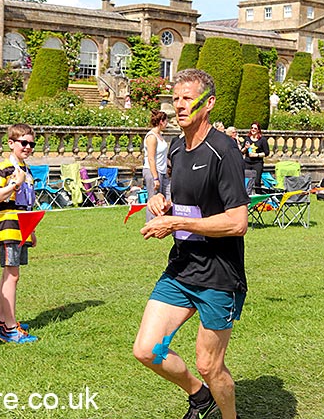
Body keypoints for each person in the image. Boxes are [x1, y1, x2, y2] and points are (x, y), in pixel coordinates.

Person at [134, 69, 249, 419]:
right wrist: (163, 205)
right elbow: (185, 202)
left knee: (209, 365)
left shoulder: (224, 150)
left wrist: (178, 223)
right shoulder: (177, 150)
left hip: (219, 275)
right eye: (176, 99)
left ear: (208, 103)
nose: (180, 106)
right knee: (147, 350)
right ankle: (200, 396)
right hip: (182, 267)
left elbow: (238, 222)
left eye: (188, 99)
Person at [0, 124, 38, 344]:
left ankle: (2, 319)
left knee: (8, 274)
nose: (28, 147)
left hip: (23, 227)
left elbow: (27, 204)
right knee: (12, 275)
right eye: (23, 143)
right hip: (8, 225)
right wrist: (14, 185)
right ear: (11, 143)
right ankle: (10, 328)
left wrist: (32, 231)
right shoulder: (4, 167)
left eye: (31, 144)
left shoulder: (26, 169)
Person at [144, 110, 170, 222]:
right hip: (153, 171)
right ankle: (150, 223)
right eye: (166, 121)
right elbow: (151, 158)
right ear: (161, 122)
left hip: (163, 171)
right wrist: (155, 178)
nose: (167, 123)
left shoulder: (160, 135)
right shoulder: (152, 137)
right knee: (154, 200)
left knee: (168, 196)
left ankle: (164, 221)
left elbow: (163, 156)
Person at [243, 121, 270, 192]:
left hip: (257, 163)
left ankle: (257, 195)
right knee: (246, 180)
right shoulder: (247, 139)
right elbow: (242, 151)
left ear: (258, 130)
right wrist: (245, 148)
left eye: (255, 128)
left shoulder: (262, 140)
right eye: (252, 128)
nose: (253, 130)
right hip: (247, 162)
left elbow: (266, 153)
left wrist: (257, 155)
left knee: (257, 181)